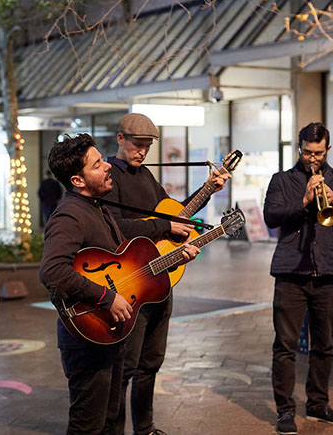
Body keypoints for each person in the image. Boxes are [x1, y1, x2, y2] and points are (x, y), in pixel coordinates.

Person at [39, 133, 201, 435]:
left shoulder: (98, 209)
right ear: (78, 180)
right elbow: (52, 270)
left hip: (109, 334)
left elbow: (126, 267)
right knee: (87, 425)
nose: (107, 167)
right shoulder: (69, 216)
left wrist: (175, 259)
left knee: (111, 419)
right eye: (97, 164)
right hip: (87, 337)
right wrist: (105, 297)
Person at [103, 113, 230, 435]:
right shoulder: (109, 176)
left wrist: (208, 190)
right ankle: (113, 429)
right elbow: (113, 225)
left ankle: (145, 428)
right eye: (137, 145)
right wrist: (163, 226)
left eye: (147, 147)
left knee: (151, 363)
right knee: (127, 366)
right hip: (130, 281)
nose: (142, 152)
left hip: (161, 277)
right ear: (120, 139)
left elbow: (175, 214)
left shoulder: (146, 176)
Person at [263, 122, 333, 435]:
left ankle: (318, 405)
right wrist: (304, 201)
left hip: (329, 271)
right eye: (307, 152)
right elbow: (270, 218)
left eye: (318, 152)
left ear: (327, 149)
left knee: (325, 345)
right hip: (291, 271)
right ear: (299, 148)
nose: (312, 158)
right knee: (285, 345)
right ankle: (285, 411)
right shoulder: (282, 180)